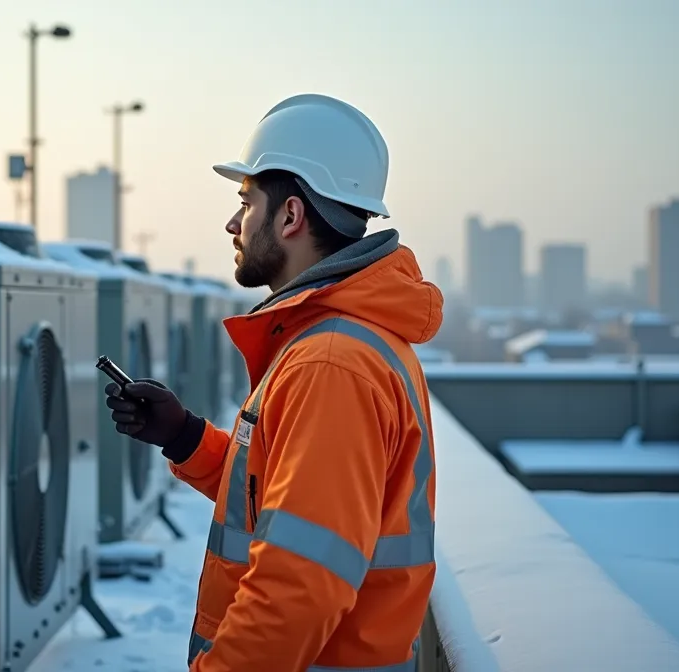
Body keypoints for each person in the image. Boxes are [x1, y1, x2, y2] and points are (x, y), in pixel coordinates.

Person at [104, 93, 443, 672]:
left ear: (289, 217)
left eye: (246, 203)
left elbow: (297, 591)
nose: (232, 223)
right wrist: (185, 436)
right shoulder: (340, 343)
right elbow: (280, 502)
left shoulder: (330, 365)